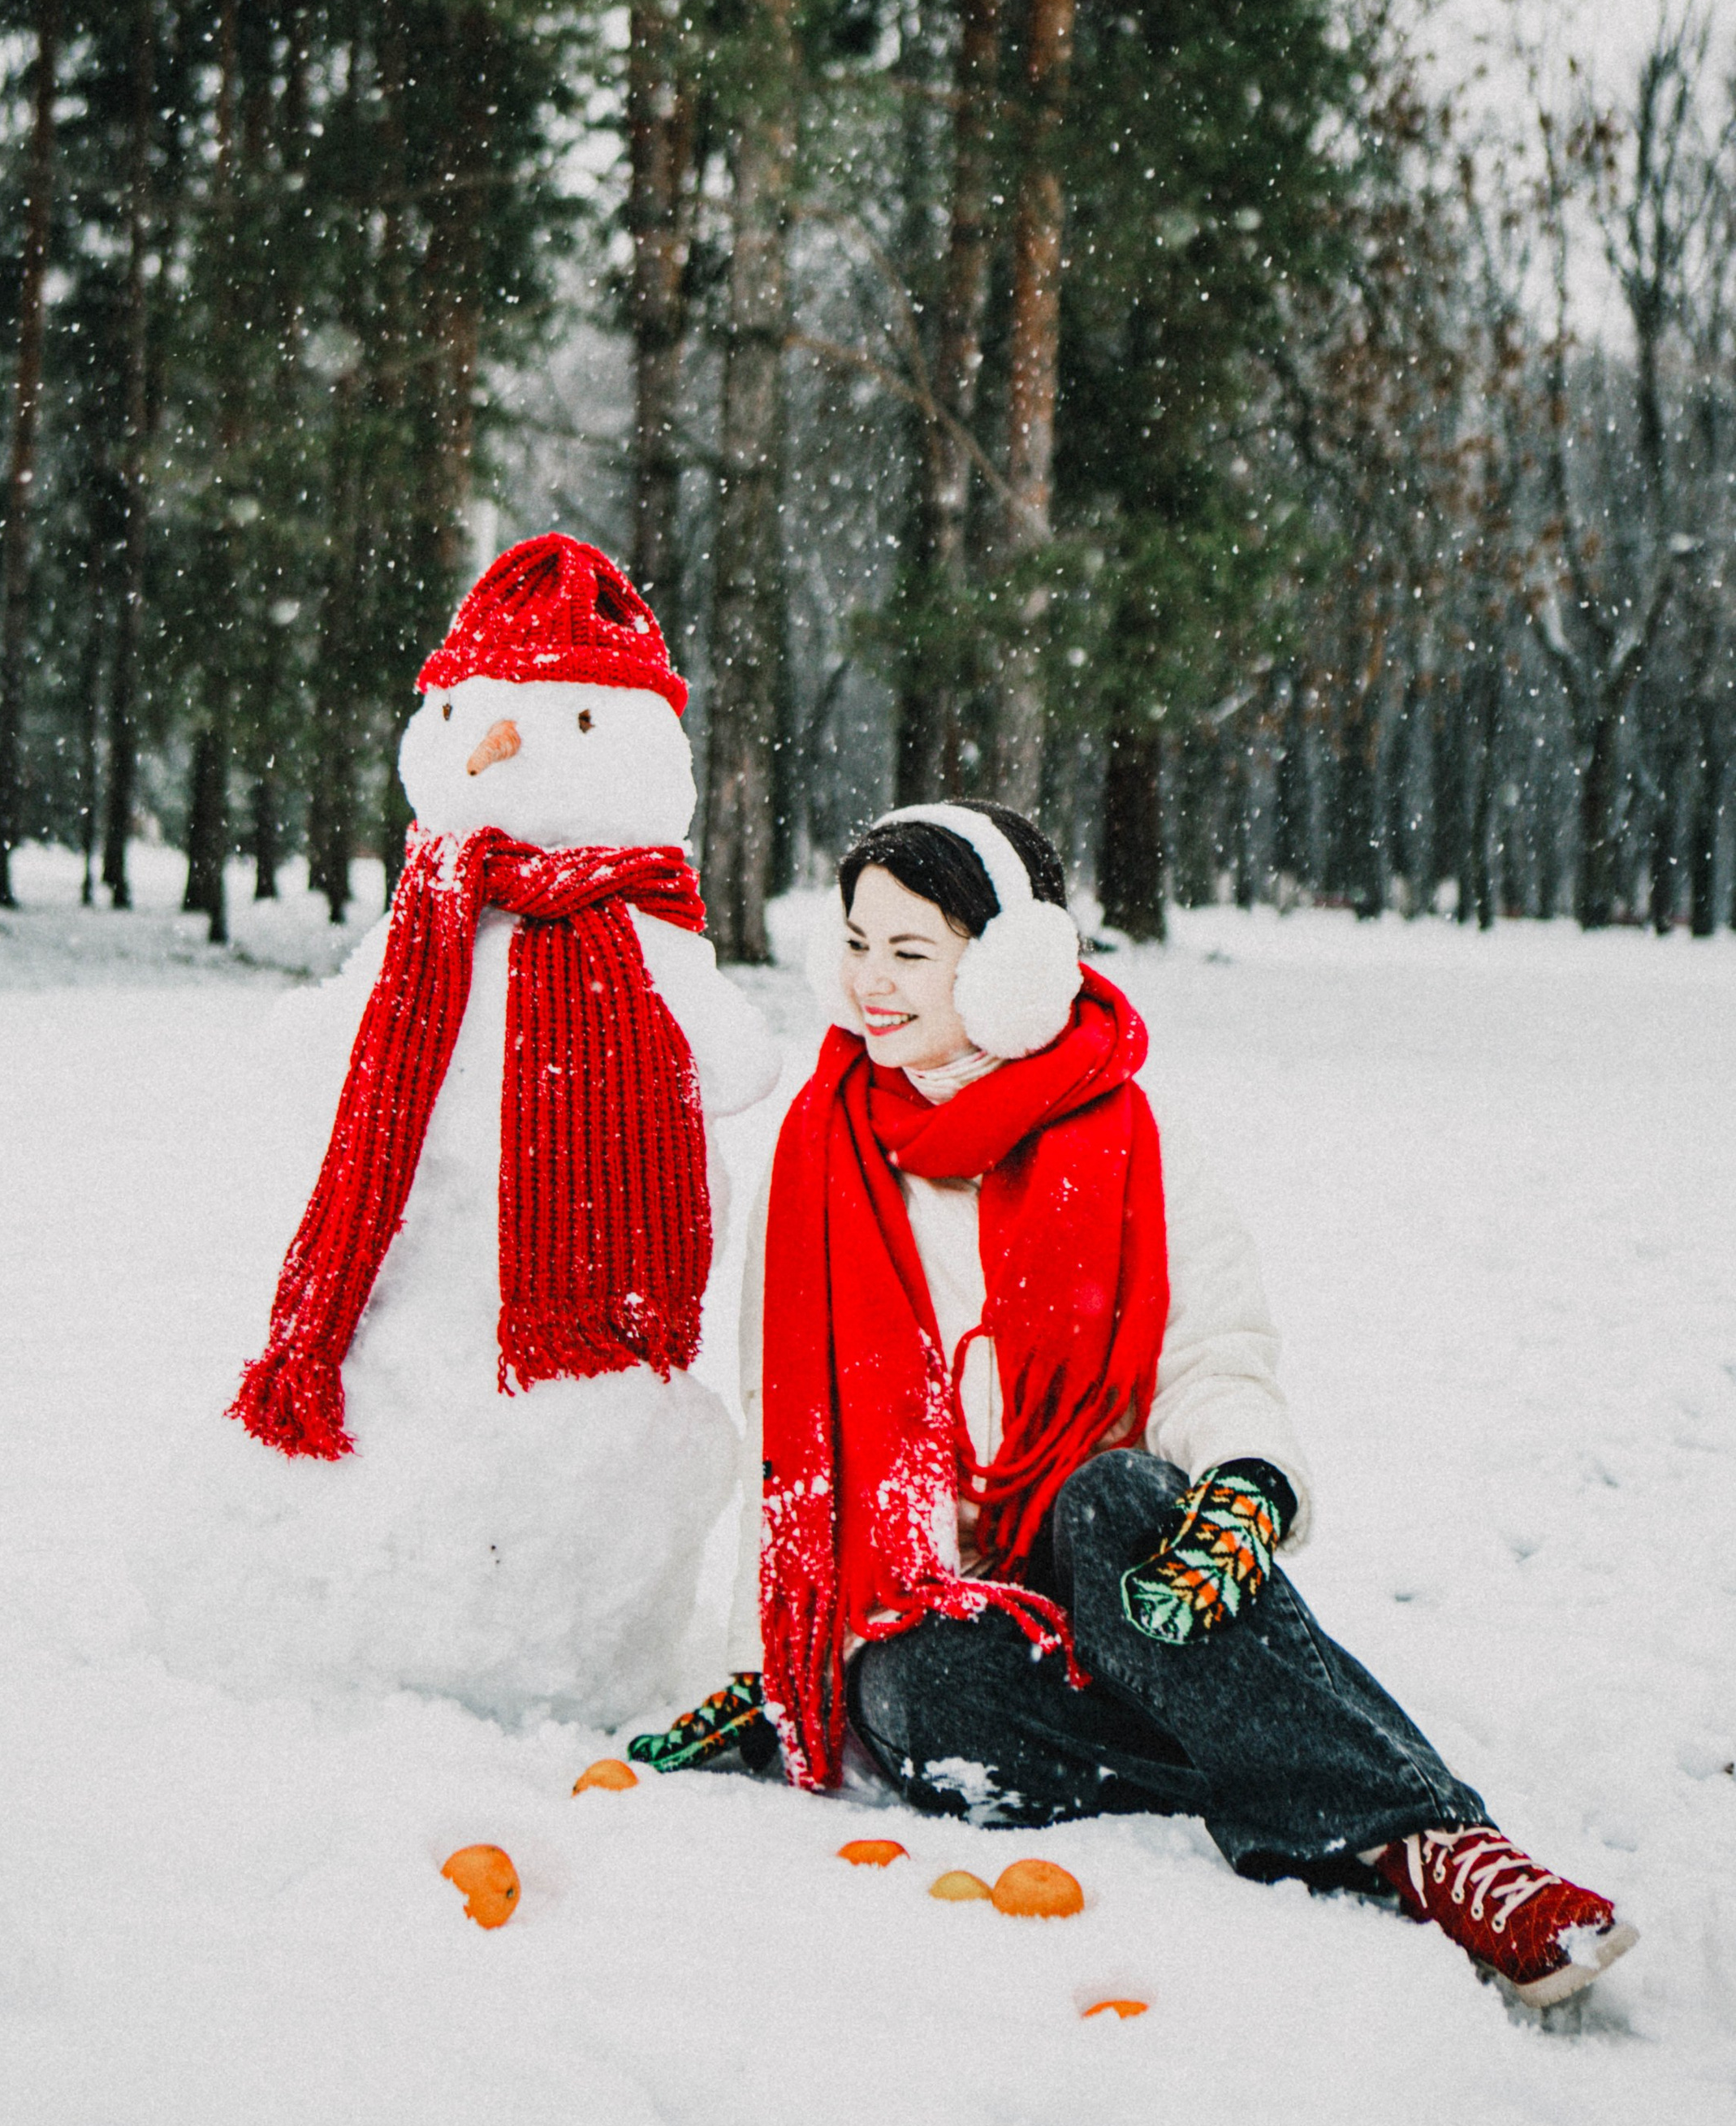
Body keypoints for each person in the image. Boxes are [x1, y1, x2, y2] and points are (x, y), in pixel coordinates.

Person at [631, 799, 1638, 2012]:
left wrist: (1246, 1480)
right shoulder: (824, 1153)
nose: (870, 985)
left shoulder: (1124, 1135)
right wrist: (770, 1666)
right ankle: (1273, 1748)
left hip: (1122, 1565)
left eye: (910, 954)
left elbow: (1211, 1355)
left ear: (1010, 969)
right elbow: (790, 1444)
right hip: (959, 1607)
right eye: (854, 944)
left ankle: (1430, 1845)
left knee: (1117, 1497)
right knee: (902, 1697)